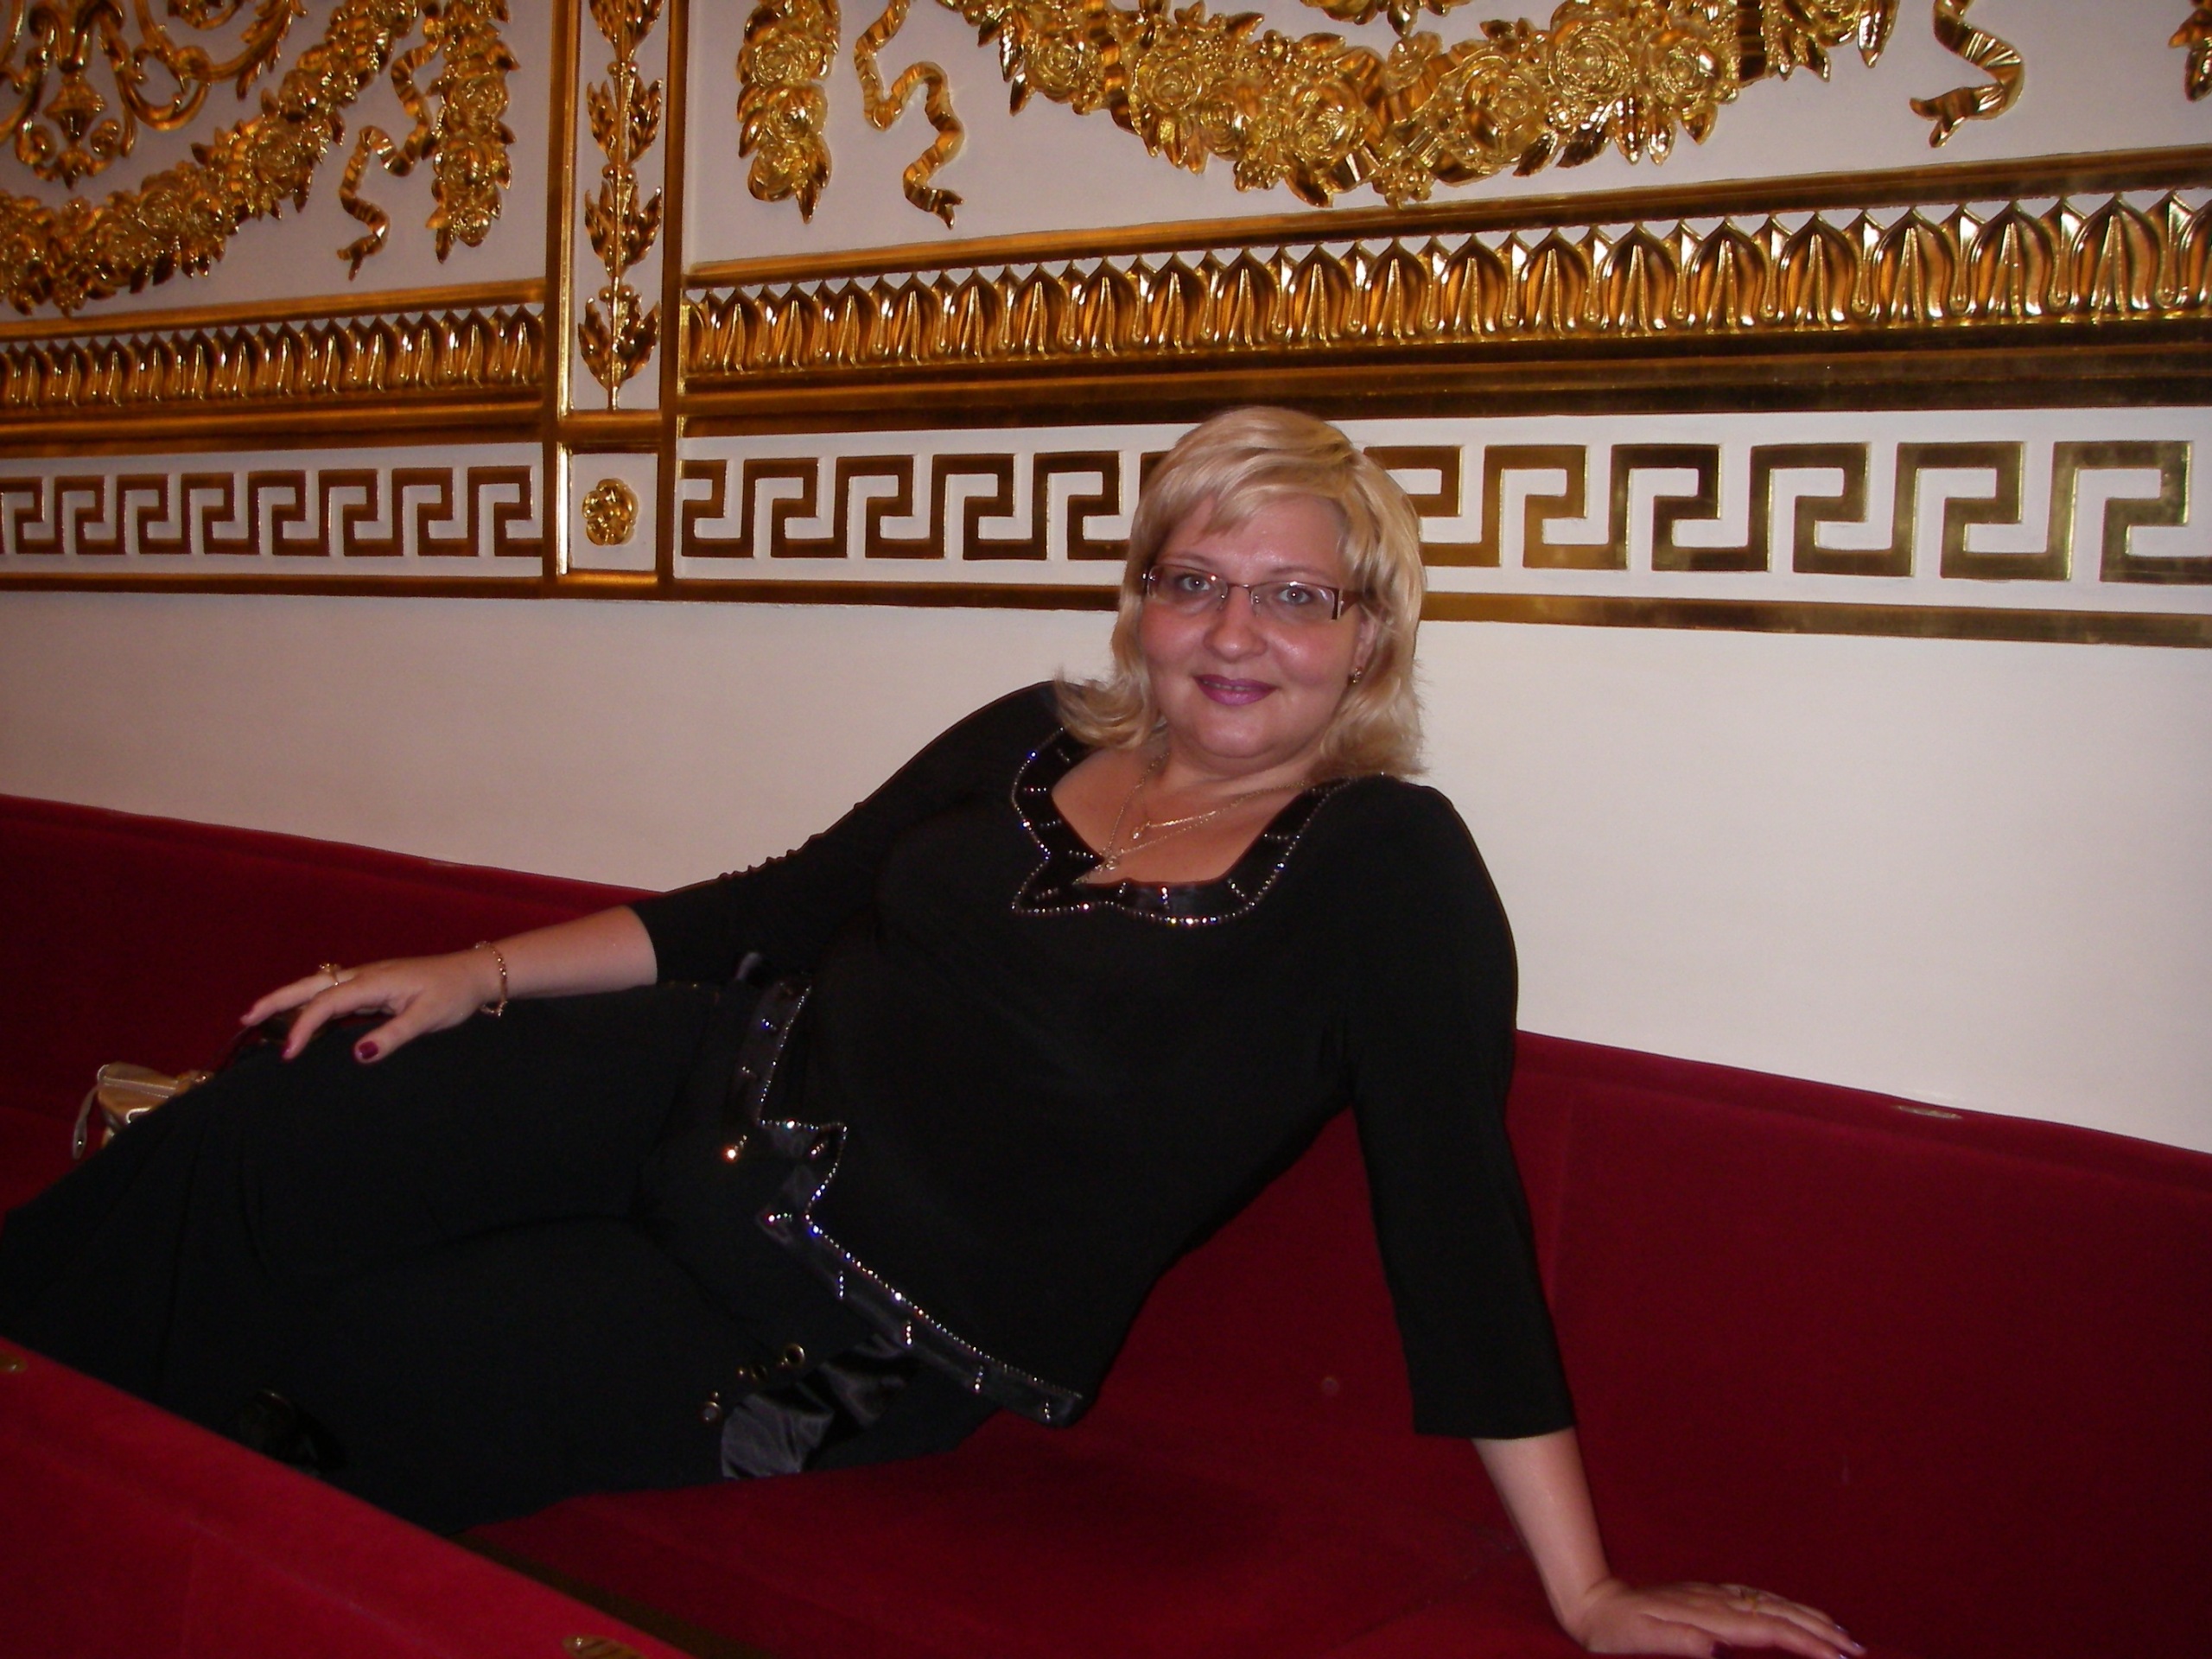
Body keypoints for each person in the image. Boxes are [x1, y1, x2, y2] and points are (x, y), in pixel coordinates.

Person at [0, 408, 1857, 1658]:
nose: (1234, 631)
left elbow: (1453, 1220)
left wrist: (1586, 1588)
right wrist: (471, 973)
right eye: (1193, 580)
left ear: (1369, 638)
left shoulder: (1387, 865)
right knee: (287, 1110)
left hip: (841, 1332)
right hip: (682, 1086)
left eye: (1296, 595)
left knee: (364, 1367)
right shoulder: (1033, 736)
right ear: (1139, 607)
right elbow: (774, 906)